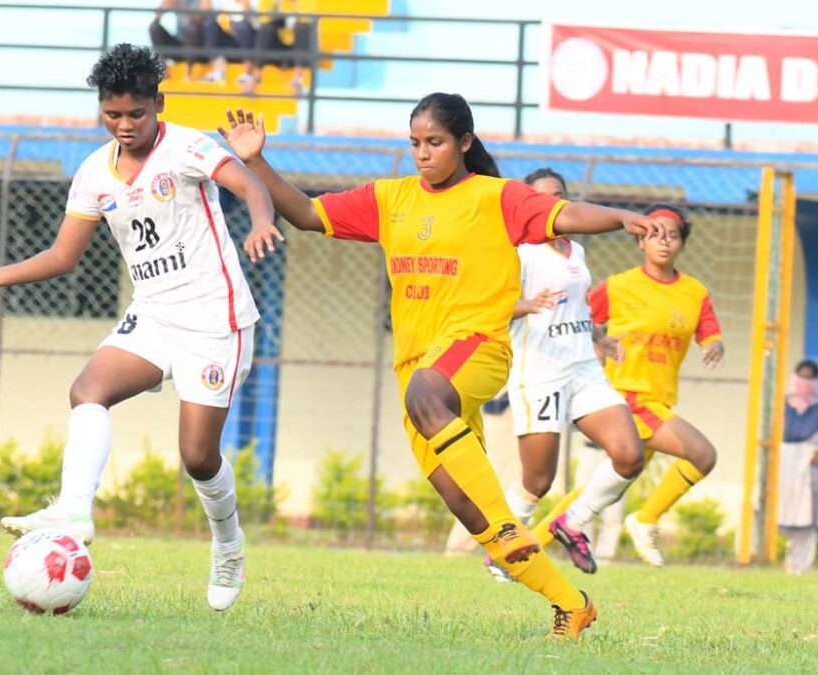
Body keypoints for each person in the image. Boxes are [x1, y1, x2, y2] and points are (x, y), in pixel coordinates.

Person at [218, 94, 664, 638]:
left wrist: (620, 217)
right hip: (418, 373)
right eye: (415, 143)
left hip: (475, 349)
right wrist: (256, 161)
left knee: (429, 400)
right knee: (471, 511)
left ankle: (508, 514)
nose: (423, 154)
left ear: (464, 144)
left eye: (435, 142)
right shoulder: (390, 197)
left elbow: (563, 215)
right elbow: (309, 213)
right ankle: (572, 605)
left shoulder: (495, 197)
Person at [0, 44, 283, 612]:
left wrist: (261, 223)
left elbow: (249, 185)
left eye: (136, 114)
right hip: (153, 312)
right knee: (88, 390)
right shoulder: (94, 172)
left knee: (197, 456)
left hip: (213, 320)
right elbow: (62, 256)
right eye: (112, 114)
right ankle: (75, 508)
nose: (124, 126)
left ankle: (228, 544)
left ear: (158, 105)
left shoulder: (188, 147)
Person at [444, 168, 644, 579]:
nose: (551, 203)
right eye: (541, 198)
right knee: (538, 480)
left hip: (583, 368)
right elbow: (482, 304)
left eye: (559, 196)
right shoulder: (517, 251)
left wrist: (599, 337)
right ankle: (499, 552)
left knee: (629, 454)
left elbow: (576, 308)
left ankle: (571, 523)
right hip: (540, 371)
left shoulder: (576, 250)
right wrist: (527, 305)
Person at [581, 204, 725, 568]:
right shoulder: (619, 285)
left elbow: (709, 333)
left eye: (672, 235)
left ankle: (531, 544)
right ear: (640, 240)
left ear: (682, 243)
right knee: (703, 454)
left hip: (659, 401)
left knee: (603, 490)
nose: (664, 241)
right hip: (627, 397)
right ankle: (645, 521)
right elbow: (579, 319)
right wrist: (599, 346)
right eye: (654, 233)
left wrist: (714, 346)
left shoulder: (694, 292)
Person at [778, 359, 818, 574]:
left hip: (808, 468)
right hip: (782, 464)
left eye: (810, 377)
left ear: (816, 380)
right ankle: (778, 563)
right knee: (779, 514)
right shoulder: (782, 404)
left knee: (806, 520)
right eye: (801, 376)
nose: (805, 382)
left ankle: (800, 569)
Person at [202, 0, 257, 85]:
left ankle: (248, 73)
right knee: (210, 25)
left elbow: (255, 21)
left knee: (243, 27)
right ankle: (218, 71)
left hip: (250, 40)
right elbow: (206, 12)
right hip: (230, 40)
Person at [148, 0, 207, 80]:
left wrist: (180, 6)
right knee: (154, 27)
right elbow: (156, 19)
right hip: (180, 45)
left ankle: (188, 74)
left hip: (198, 47)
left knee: (192, 29)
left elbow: (201, 17)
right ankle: (163, 70)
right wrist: (163, 8)